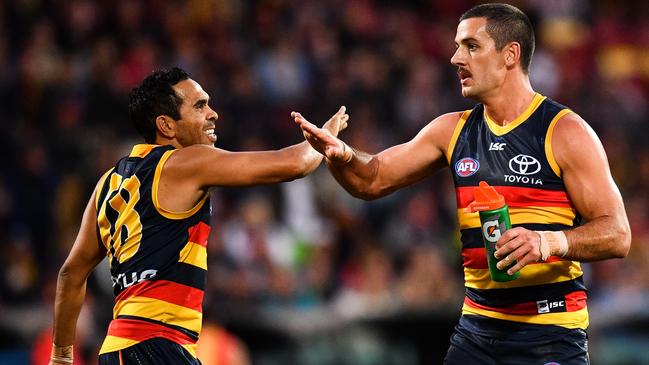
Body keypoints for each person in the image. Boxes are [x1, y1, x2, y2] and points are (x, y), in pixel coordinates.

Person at [293, 3, 630, 364]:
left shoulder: (564, 131)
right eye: (457, 46)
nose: (455, 58)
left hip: (551, 332)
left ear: (510, 55)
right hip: (476, 331)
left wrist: (548, 241)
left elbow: (617, 234)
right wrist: (342, 155)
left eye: (471, 46)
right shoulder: (452, 131)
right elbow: (371, 179)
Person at [49, 67, 348, 365]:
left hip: (118, 350)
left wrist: (61, 358)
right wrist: (327, 136)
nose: (213, 113)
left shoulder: (108, 182)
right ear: (167, 126)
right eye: (200, 105)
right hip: (158, 346)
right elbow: (295, 164)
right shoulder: (186, 162)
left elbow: (70, 274)